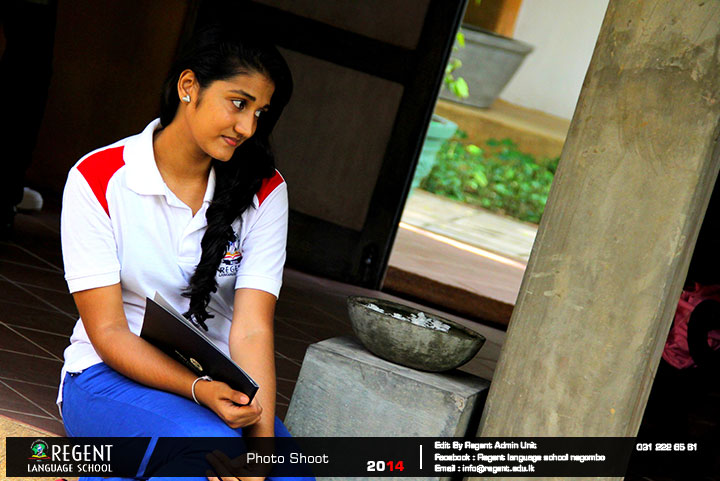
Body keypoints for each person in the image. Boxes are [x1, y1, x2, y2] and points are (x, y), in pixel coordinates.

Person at [58, 24, 313, 481]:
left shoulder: (265, 190)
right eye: (239, 103)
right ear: (189, 86)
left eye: (260, 112)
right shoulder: (98, 178)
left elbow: (252, 329)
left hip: (223, 393)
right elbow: (109, 331)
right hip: (106, 377)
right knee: (209, 455)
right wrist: (198, 389)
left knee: (290, 475)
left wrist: (261, 456)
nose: (248, 127)